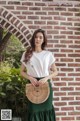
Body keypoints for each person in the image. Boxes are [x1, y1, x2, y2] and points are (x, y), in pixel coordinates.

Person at [20, 29, 58, 121]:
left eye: (40, 37)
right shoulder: (26, 53)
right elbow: (21, 71)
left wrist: (46, 78)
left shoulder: (48, 54)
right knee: (33, 111)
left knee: (47, 110)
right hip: (32, 86)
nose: (38, 39)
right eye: (36, 37)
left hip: (45, 85)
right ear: (33, 39)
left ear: (44, 40)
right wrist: (30, 77)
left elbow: (55, 72)